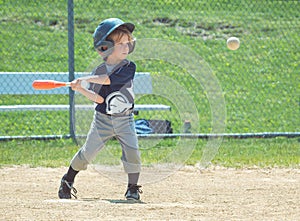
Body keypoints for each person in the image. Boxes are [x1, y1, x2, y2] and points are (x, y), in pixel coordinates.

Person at [58, 18, 142, 201]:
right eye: (120, 43)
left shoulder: (128, 67)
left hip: (125, 119)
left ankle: (133, 188)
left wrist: (86, 78)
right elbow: (98, 98)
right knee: (87, 153)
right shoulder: (100, 70)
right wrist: (80, 88)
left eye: (128, 43)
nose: (126, 47)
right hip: (102, 120)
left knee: (132, 152)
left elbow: (109, 80)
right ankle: (67, 180)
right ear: (105, 47)